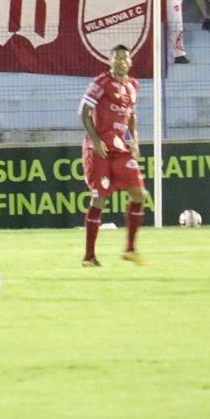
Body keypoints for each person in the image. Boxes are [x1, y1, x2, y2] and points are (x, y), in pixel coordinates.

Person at [80, 45, 149, 266]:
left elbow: (131, 117)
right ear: (110, 61)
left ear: (130, 62)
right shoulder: (101, 83)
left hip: (121, 149)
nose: (121, 61)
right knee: (99, 199)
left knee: (139, 193)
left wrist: (134, 141)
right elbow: (83, 112)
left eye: (125, 57)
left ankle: (130, 249)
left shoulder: (133, 85)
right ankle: (89, 256)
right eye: (116, 57)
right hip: (99, 149)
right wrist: (96, 139)